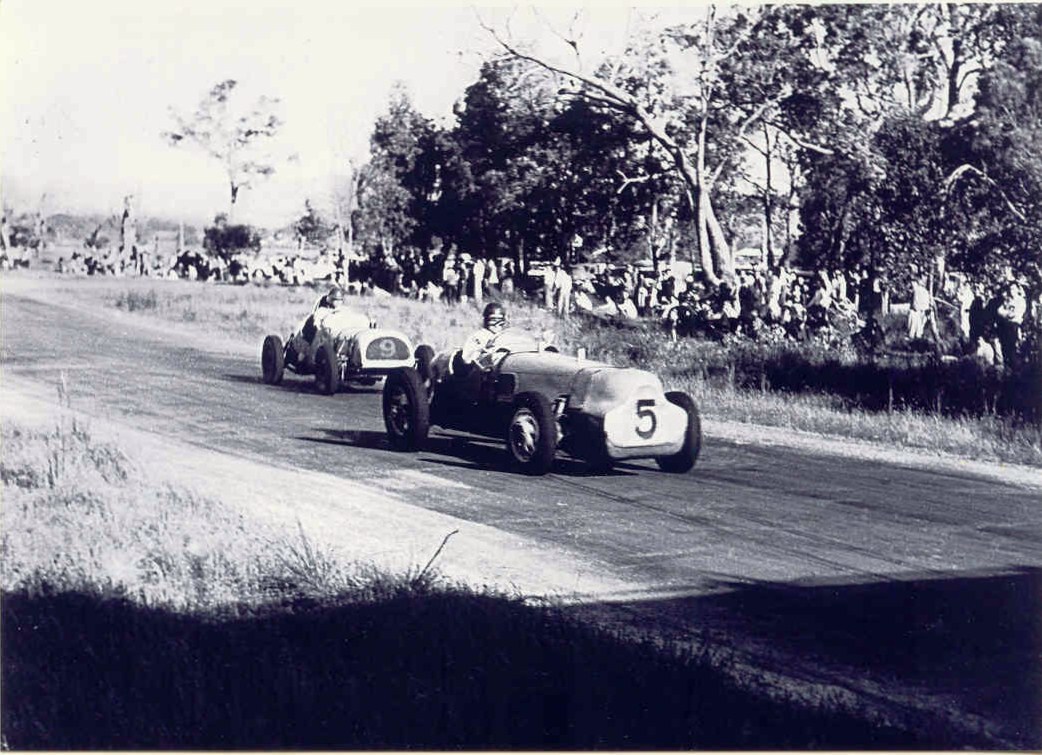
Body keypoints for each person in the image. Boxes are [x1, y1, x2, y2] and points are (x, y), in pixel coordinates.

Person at [460, 301, 510, 369]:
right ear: (486, 320)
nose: (497, 324)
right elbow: (466, 359)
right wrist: (482, 350)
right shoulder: (478, 336)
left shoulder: (506, 336)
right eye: (493, 320)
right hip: (484, 373)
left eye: (500, 319)